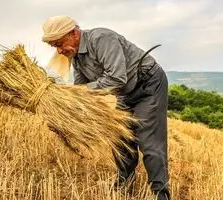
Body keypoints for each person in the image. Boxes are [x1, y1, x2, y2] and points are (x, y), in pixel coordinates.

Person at [41, 15, 170, 200]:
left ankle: (160, 194)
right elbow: (82, 93)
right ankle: (124, 185)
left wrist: (76, 92)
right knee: (122, 140)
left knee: (150, 144)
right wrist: (63, 110)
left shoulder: (101, 39)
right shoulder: (76, 57)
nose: (60, 51)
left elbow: (117, 78)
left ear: (74, 33)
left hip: (147, 85)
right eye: (55, 47)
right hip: (125, 92)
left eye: (60, 44)